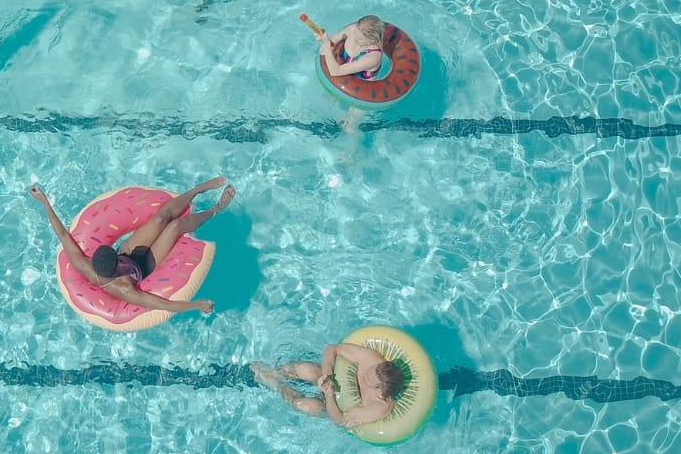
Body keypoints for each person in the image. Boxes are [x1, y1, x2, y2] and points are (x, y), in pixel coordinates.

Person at [27, 177, 236, 317]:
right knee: (175, 226)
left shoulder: (87, 263)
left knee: (160, 219)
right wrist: (197, 305)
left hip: (130, 252)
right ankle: (215, 210)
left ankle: (199, 189)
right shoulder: (123, 288)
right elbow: (162, 304)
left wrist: (43, 201)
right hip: (145, 267)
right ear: (117, 266)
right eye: (118, 259)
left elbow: (63, 235)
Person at [251, 343, 406, 428]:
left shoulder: (378, 407)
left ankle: (277, 386)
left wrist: (329, 394)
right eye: (368, 371)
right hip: (335, 379)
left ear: (379, 389)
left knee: (307, 406)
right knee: (308, 370)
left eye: (367, 379)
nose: (364, 375)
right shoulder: (371, 359)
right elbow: (332, 349)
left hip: (335, 406)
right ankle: (275, 373)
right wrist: (327, 376)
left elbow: (341, 420)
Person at [315, 15, 385, 81]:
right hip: (341, 70)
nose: (354, 38)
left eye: (359, 39)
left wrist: (326, 44)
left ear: (372, 40)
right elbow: (335, 39)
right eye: (355, 33)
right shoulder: (353, 28)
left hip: (357, 88)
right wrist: (326, 40)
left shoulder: (373, 57)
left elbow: (335, 72)